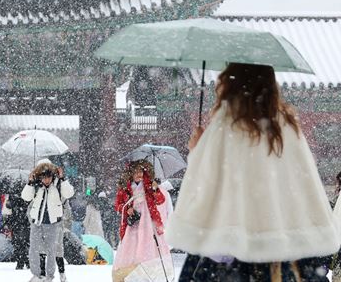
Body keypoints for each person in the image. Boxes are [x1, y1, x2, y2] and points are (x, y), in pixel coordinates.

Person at [167, 63, 341, 281]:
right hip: (279, 254)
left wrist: (197, 152)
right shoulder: (286, 127)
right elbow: (303, 185)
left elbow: (206, 188)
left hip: (228, 254)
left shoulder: (226, 127)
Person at [112, 160, 169, 282]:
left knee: (149, 248)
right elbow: (118, 206)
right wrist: (127, 209)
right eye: (136, 171)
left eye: (141, 171)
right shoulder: (124, 188)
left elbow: (160, 200)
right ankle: (132, 274)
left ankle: (147, 274)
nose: (139, 174)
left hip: (149, 223)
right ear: (130, 173)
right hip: (132, 225)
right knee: (130, 249)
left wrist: (155, 190)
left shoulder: (149, 186)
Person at [22, 161, 75, 282]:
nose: (47, 180)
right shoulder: (36, 186)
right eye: (44, 177)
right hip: (37, 222)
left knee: (52, 251)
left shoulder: (58, 185)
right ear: (40, 177)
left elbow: (69, 193)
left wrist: (63, 179)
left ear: (52, 176)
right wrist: (30, 182)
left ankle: (50, 276)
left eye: (49, 177)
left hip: (53, 223)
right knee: (34, 249)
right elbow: (25, 197)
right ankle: (37, 274)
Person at [5, 192, 31, 270]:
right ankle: (24, 261)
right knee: (19, 242)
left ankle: (24, 261)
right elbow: (8, 206)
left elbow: (9, 206)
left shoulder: (29, 189)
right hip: (18, 220)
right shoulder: (13, 193)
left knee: (23, 242)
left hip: (24, 220)